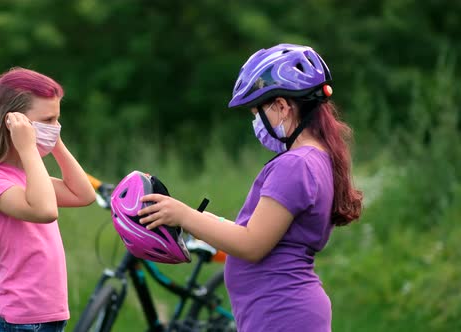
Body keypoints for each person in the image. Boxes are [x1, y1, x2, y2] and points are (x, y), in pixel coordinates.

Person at [137, 44, 363, 331]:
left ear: (282, 106)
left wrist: (183, 215)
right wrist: (192, 220)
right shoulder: (316, 158)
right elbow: (263, 233)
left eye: (258, 112)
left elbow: (252, 244)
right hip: (281, 310)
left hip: (280, 312)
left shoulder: (295, 165)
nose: (255, 121)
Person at [0, 67, 96, 332]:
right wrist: (28, 147)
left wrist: (55, 142)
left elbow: (84, 194)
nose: (55, 127)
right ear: (13, 123)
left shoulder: (25, 176)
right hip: (15, 322)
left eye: (57, 120)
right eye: (48, 120)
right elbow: (45, 210)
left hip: (48, 318)